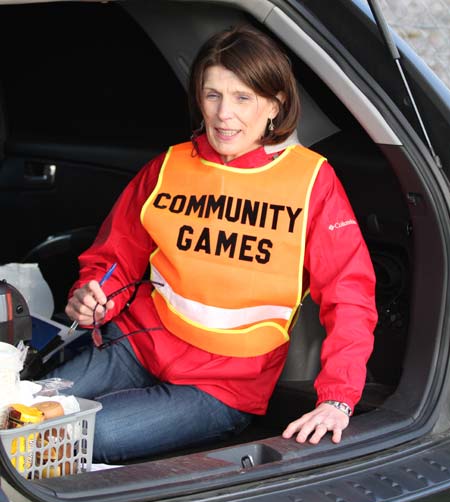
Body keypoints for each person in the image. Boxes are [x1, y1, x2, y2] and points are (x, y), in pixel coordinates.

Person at [47, 25, 377, 463]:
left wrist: (337, 398)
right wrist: (93, 296)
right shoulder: (167, 166)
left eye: (243, 97)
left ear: (275, 105)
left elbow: (350, 295)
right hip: (135, 344)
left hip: (223, 386)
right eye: (213, 95)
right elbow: (115, 258)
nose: (225, 115)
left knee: (80, 437)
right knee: (22, 410)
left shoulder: (312, 181)